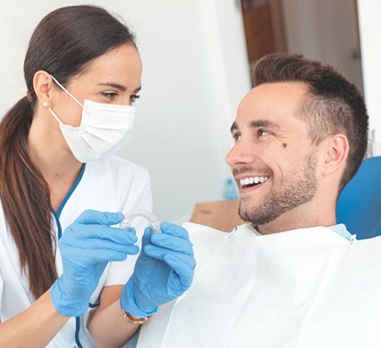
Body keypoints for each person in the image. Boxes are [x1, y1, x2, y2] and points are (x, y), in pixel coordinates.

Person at [135, 53, 381, 347]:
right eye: (237, 135)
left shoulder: (367, 279)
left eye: (263, 133)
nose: (233, 157)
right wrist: (132, 306)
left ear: (331, 154)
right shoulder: (189, 257)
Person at [0, 5, 195, 348]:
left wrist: (137, 301)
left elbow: (101, 338)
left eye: (132, 97)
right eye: (109, 94)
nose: (124, 112)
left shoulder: (129, 182)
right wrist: (61, 298)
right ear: (46, 88)